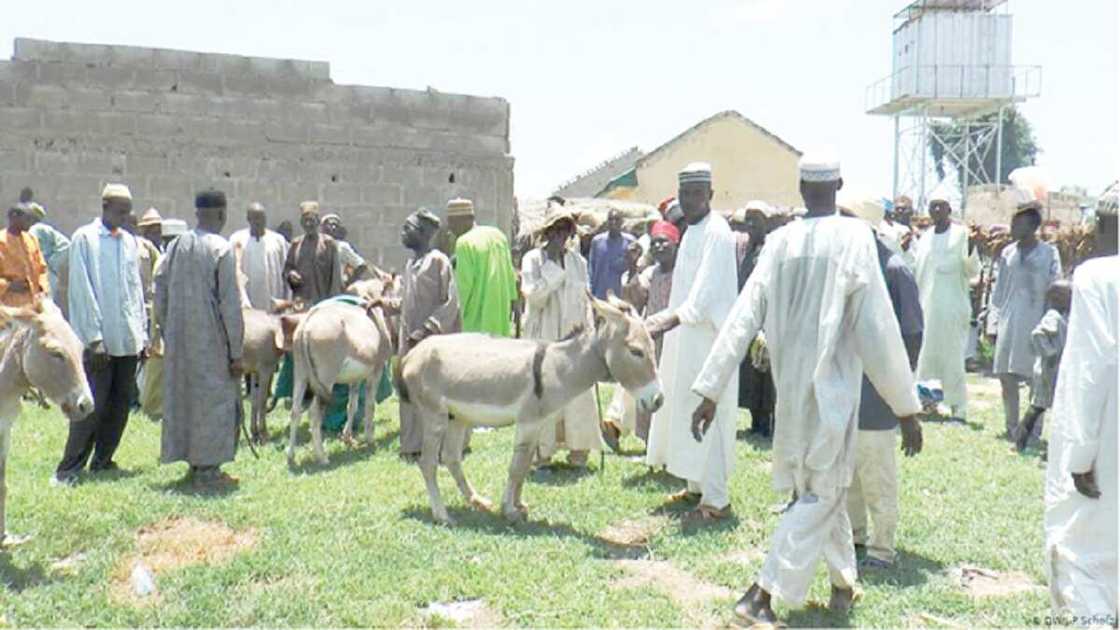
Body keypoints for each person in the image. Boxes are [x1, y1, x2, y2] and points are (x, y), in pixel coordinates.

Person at [688, 149, 923, 624]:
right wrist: (906, 407)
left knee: (820, 488)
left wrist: (711, 389)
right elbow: (877, 328)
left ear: (801, 190)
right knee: (821, 493)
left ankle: (843, 585)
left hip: (789, 390)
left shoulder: (780, 242)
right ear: (837, 187)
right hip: (833, 389)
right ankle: (763, 593)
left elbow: (742, 318)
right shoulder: (855, 237)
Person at [645, 162, 740, 521]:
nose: (689, 200)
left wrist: (666, 319)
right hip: (685, 335)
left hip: (709, 338)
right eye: (684, 194)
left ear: (710, 195)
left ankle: (716, 500)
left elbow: (704, 297)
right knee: (685, 405)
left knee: (709, 409)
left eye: (696, 194)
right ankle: (695, 487)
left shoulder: (718, 232)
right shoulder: (691, 231)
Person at [840, 195, 925, 571]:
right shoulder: (845, 265)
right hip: (846, 389)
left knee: (878, 475)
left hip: (878, 393)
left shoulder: (893, 269)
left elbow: (912, 334)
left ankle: (882, 548)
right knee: (850, 472)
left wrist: (901, 394)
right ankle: (856, 536)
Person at [1043, 199, 1116, 620]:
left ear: (1104, 225)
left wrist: (1081, 453)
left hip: (1105, 439)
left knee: (1084, 560)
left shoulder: (1097, 276)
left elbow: (1094, 364)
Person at [54, 184, 147, 484]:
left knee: (120, 404)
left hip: (126, 339)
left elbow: (135, 291)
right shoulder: (85, 239)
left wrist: (141, 335)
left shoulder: (130, 242)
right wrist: (94, 339)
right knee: (91, 406)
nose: (125, 216)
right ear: (105, 206)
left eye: (127, 211)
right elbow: (82, 291)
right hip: (100, 342)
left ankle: (103, 460)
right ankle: (70, 467)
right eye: (120, 210)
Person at [155, 189, 244, 486]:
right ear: (221, 214)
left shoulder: (177, 246)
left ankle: (193, 463)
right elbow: (230, 306)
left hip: (180, 343)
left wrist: (169, 331)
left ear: (197, 213)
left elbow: (160, 291)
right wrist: (236, 352)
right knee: (214, 401)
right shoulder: (221, 248)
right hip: (213, 343)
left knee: (186, 399)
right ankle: (208, 471)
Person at [520, 208, 599, 467]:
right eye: (555, 230)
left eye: (565, 230)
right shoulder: (533, 260)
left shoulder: (579, 262)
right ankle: (541, 453)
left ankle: (579, 449)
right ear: (547, 232)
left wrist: (590, 334)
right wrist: (551, 268)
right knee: (544, 393)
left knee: (577, 393)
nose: (560, 236)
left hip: (573, 339)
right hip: (543, 337)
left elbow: (585, 299)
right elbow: (534, 297)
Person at [603, 219, 680, 449]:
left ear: (675, 244)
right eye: (654, 243)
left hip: (675, 335)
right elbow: (631, 295)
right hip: (651, 336)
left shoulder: (683, 272)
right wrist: (633, 267)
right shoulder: (651, 272)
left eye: (664, 242)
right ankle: (639, 438)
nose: (658, 247)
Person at [392, 209, 461, 459]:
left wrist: (426, 329)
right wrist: (381, 302)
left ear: (422, 234)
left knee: (433, 395)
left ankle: (438, 447)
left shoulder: (438, 261)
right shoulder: (410, 264)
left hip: (431, 343)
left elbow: (451, 303)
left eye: (407, 228)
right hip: (408, 343)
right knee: (409, 392)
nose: (402, 233)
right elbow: (404, 302)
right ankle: (411, 446)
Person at [991, 201, 1061, 440]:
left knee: (1036, 378)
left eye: (1017, 223)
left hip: (1036, 321)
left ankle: (1033, 429)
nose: (1012, 227)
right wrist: (993, 323)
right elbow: (998, 293)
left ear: (1032, 226)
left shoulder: (1049, 253)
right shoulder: (1008, 253)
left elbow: (1056, 288)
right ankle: (1011, 426)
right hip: (1009, 321)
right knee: (1006, 376)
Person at [912, 196, 980, 423]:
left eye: (942, 205)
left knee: (952, 360)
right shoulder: (925, 238)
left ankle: (958, 409)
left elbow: (972, 271)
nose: (937, 209)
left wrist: (972, 248)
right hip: (926, 308)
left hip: (952, 308)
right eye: (933, 206)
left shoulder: (962, 235)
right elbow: (917, 272)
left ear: (950, 209)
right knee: (926, 359)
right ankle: (927, 404)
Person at [445, 198, 518, 337]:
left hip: (475, 327)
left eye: (451, 223)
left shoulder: (463, 242)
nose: (450, 229)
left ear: (461, 220)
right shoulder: (498, 236)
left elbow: (463, 289)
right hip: (500, 322)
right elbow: (510, 277)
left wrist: (452, 321)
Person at [735, 201, 777, 437]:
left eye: (756, 220)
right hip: (747, 319)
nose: (750, 224)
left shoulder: (770, 249)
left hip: (765, 320)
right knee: (750, 374)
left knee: (766, 374)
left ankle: (767, 424)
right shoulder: (746, 249)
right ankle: (756, 422)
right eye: (748, 220)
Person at [1015, 280, 1071, 452]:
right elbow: (1038, 334)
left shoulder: (1063, 317)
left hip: (1055, 370)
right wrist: (1050, 353)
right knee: (1037, 407)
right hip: (1048, 370)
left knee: (1048, 406)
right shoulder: (1053, 316)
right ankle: (1020, 441)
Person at [229, 202, 290, 311]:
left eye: (261, 218)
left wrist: (287, 299)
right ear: (248, 219)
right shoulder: (237, 240)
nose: (258, 222)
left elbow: (286, 270)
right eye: (255, 218)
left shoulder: (278, 240)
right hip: (247, 303)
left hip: (273, 300)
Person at [283, 201, 343, 306]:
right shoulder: (296, 244)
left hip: (323, 303)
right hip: (300, 302)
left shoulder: (328, 244)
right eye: (305, 221)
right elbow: (287, 270)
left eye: (311, 220)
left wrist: (333, 303)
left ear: (318, 222)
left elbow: (336, 278)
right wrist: (291, 275)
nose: (308, 224)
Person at [0, 202, 50, 307]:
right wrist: (8, 286)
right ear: (14, 218)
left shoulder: (31, 239)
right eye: (27, 219)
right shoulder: (1, 242)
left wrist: (42, 287)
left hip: (33, 303)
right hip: (8, 306)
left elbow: (42, 269)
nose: (30, 223)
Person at [26, 201, 71, 314]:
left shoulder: (36, 229)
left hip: (47, 271)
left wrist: (50, 263)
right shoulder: (41, 230)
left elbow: (32, 251)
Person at [588, 208, 636, 300]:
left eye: (617, 219)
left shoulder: (630, 242)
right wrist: (590, 289)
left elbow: (634, 267)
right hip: (600, 294)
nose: (613, 222)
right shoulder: (597, 241)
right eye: (610, 219)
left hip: (621, 296)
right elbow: (591, 267)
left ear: (622, 222)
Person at [320, 213, 371, 286]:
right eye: (329, 225)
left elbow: (361, 265)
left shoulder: (342, 246)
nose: (333, 227)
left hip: (335, 290)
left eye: (335, 225)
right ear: (323, 229)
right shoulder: (316, 246)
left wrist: (347, 283)